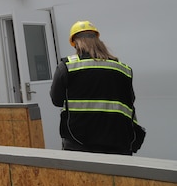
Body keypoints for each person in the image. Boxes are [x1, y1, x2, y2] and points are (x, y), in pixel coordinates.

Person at [50, 20, 144, 155]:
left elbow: (56, 100)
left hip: (79, 142)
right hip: (119, 142)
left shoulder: (67, 67)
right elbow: (130, 101)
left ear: (75, 43)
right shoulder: (123, 69)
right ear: (98, 41)